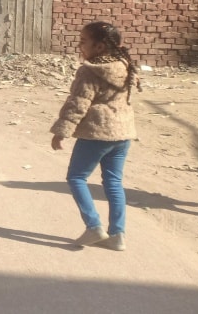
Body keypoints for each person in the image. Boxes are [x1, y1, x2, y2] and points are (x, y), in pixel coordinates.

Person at [51, 21, 141, 250]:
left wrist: (61, 132)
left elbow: (78, 103)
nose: (80, 46)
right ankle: (117, 234)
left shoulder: (90, 70)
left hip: (97, 133)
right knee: (114, 182)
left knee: (76, 177)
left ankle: (94, 227)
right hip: (123, 133)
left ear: (99, 47)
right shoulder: (125, 65)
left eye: (83, 41)